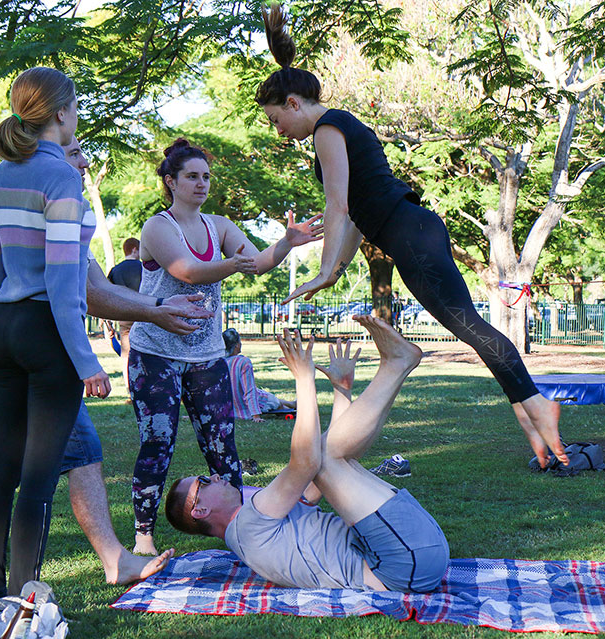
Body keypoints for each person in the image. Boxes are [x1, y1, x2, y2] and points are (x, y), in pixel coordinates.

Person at [254, 5, 566, 469]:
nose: (279, 130)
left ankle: (538, 404)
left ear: (294, 103)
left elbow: (337, 206)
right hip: (412, 231)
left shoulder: (327, 129)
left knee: (471, 327)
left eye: (277, 119)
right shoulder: (341, 126)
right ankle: (530, 420)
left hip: (411, 235)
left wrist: (322, 271)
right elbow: (357, 216)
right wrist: (335, 269)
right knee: (471, 330)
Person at [0, 137, 212, 582]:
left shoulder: (36, 200)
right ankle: (46, 578)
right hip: (45, 348)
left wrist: (154, 311)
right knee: (47, 458)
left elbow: (91, 285)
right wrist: (91, 358)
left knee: (13, 458)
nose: (83, 161)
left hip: (13, 336)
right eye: (74, 152)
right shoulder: (53, 198)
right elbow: (80, 294)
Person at [128, 137, 323, 555]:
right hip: (155, 354)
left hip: (206, 355)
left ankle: (242, 528)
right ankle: (144, 534)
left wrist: (287, 242)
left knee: (222, 444)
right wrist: (232, 264)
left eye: (206, 177)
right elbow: (189, 271)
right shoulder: (159, 226)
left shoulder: (220, 225)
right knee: (157, 443)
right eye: (192, 177)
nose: (201, 184)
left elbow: (257, 262)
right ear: (171, 182)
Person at [166, 317, 449, 593]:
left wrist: (342, 390)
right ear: (200, 510)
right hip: (402, 562)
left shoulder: (259, 525)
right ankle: (396, 364)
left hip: (414, 556)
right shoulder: (248, 525)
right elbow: (308, 461)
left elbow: (333, 464)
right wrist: (304, 379)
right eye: (203, 481)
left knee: (330, 460)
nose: (214, 475)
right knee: (320, 458)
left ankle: (397, 364)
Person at [0, 66, 113, 597]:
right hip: (46, 329)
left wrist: (5, 327)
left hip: (3, 327)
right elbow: (62, 280)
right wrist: (88, 361)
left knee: (3, 468)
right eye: (74, 109)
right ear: (61, 113)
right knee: (35, 479)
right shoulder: (61, 178)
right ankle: (21, 606)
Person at [222, 328, 295, 422]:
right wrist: (256, 416)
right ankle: (295, 408)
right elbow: (249, 390)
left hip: (231, 406)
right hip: (246, 405)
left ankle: (293, 404)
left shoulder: (219, 361)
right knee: (278, 404)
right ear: (236, 345)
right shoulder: (243, 362)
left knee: (272, 399)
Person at [108, 237, 143, 393]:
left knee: (126, 354)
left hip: (124, 315)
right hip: (144, 314)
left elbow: (107, 294)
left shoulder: (116, 270)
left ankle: (130, 390)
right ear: (134, 249)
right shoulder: (144, 269)